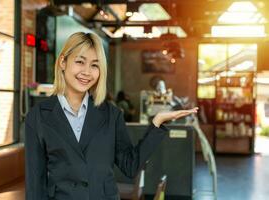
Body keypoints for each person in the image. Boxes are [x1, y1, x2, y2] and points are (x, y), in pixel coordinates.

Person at [25, 32, 198, 200]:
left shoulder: (111, 114)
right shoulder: (39, 117)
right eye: (80, 62)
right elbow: (35, 183)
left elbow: (130, 166)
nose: (87, 72)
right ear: (63, 62)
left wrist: (157, 122)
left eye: (95, 65)